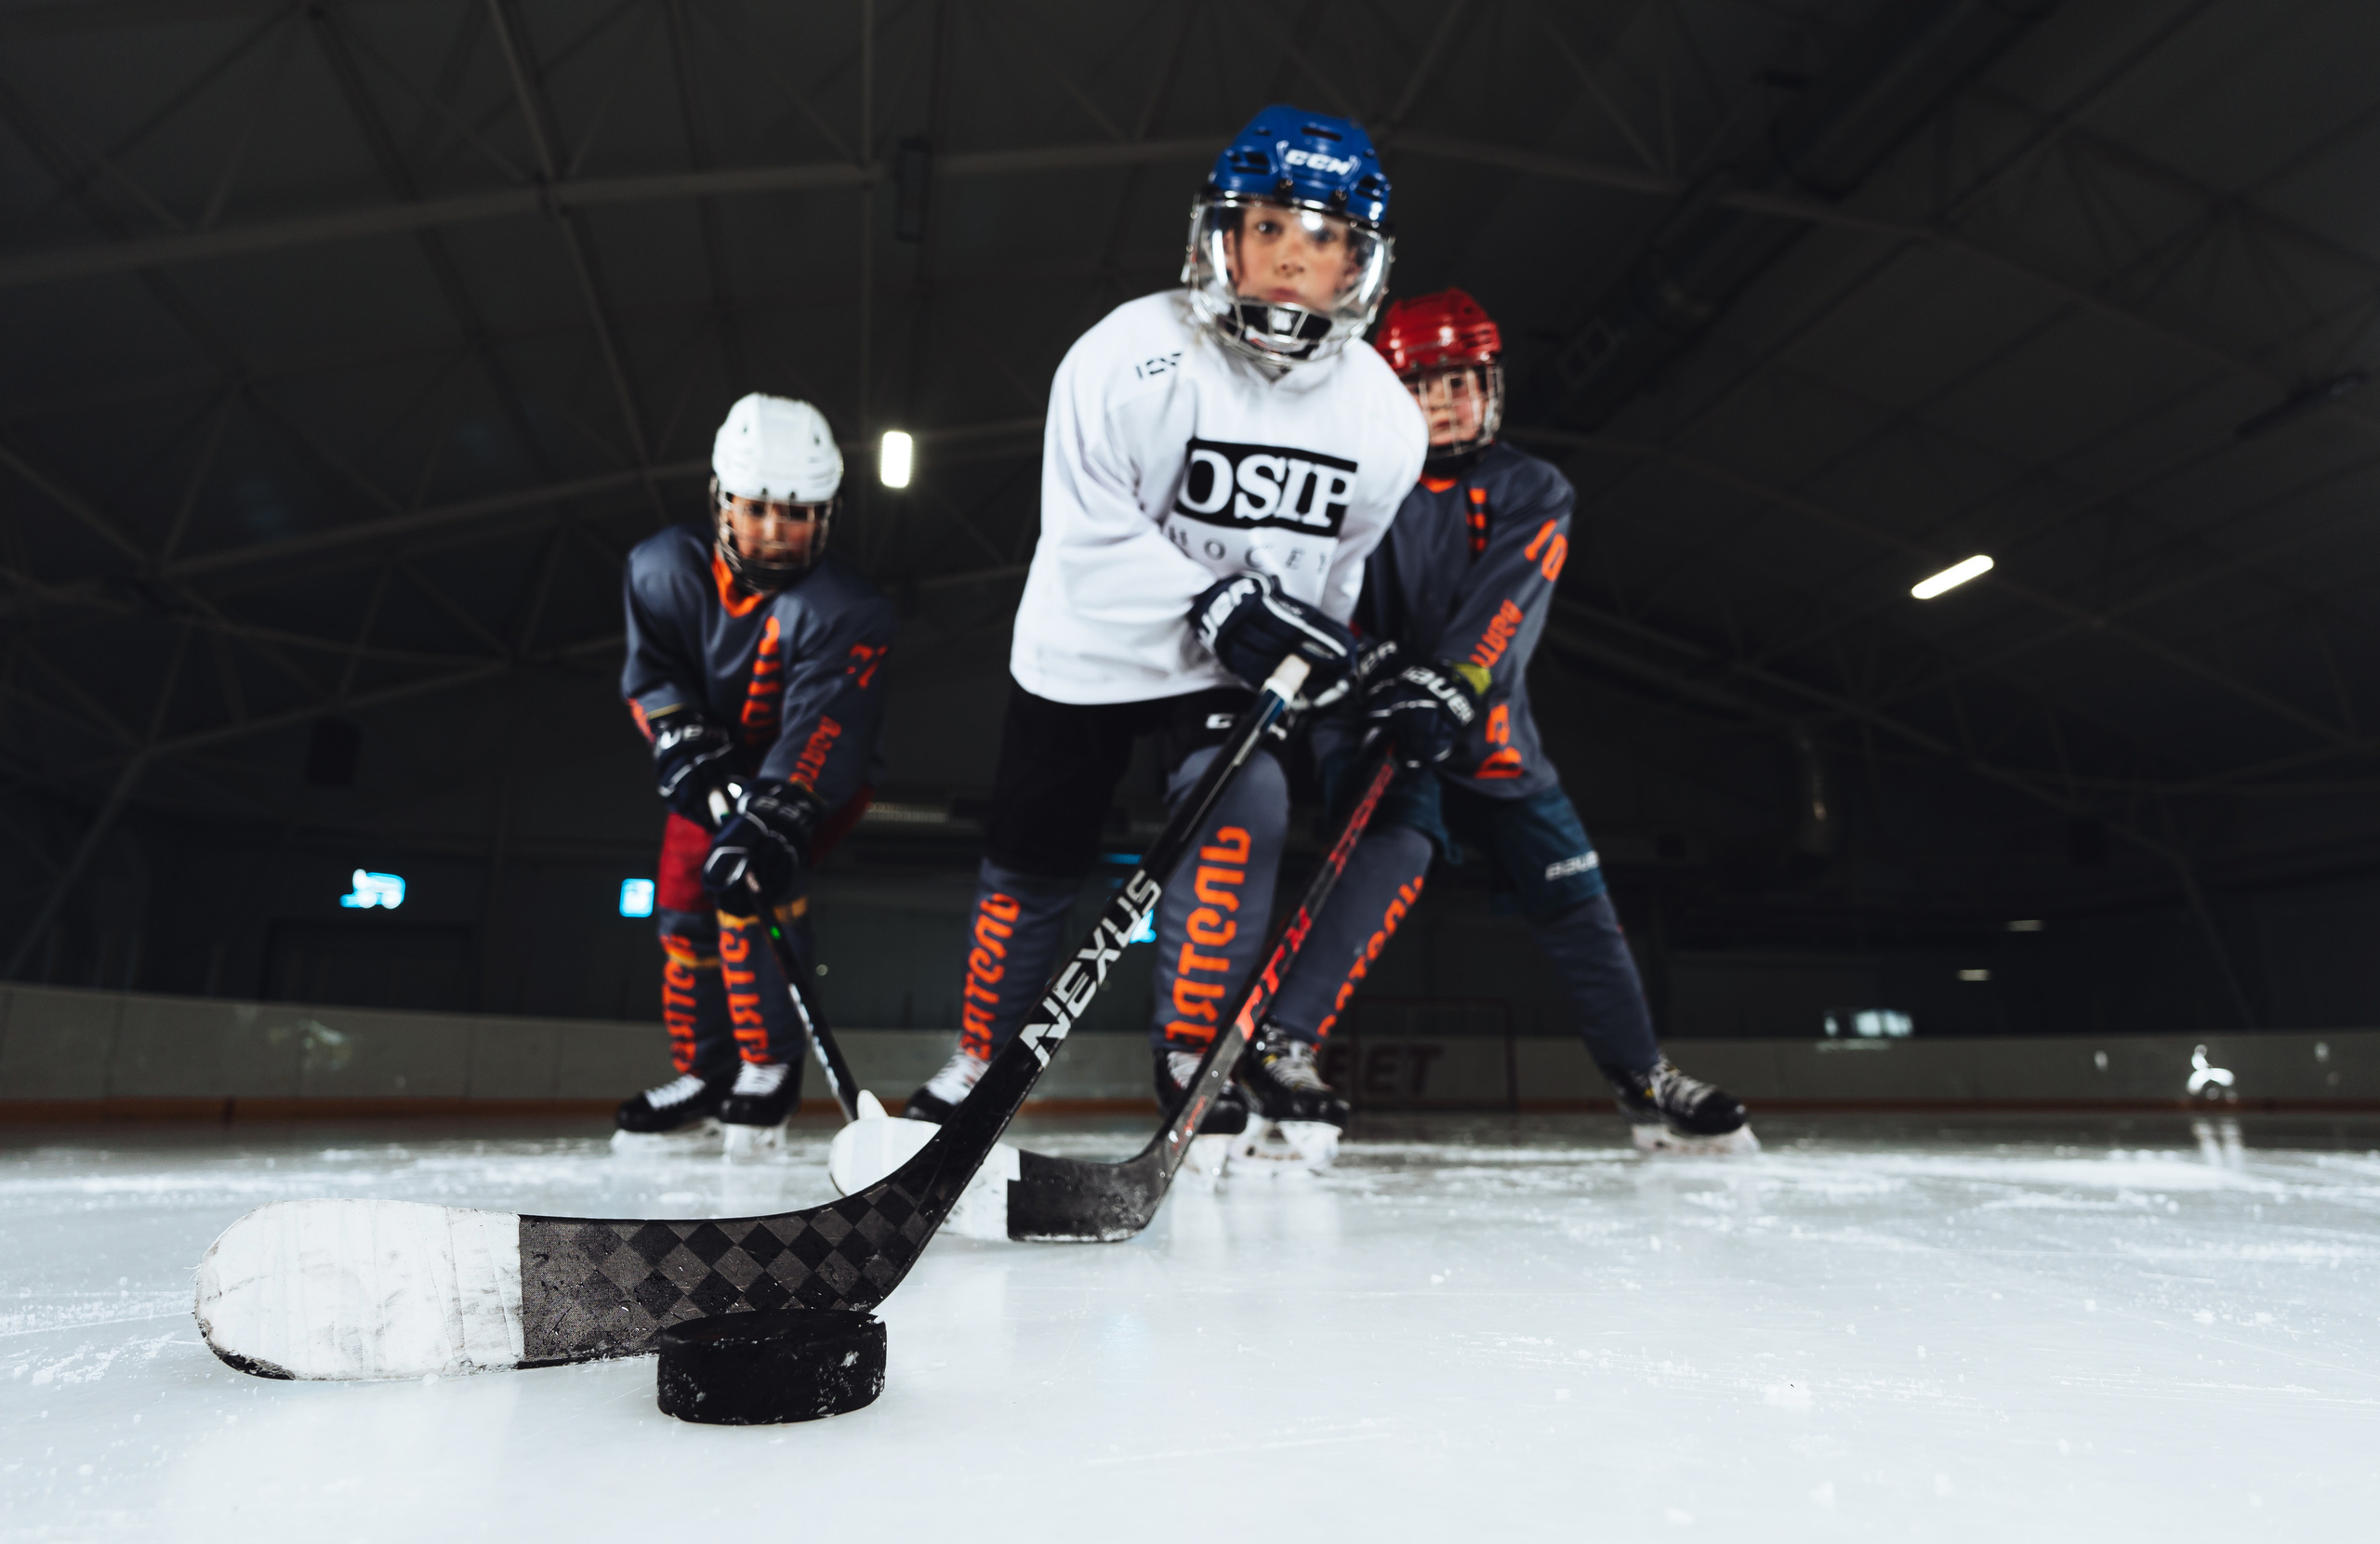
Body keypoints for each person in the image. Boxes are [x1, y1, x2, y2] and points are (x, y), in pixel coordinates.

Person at [900, 106, 1426, 1141]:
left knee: (1248, 807)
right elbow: (1085, 528)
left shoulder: (1384, 420)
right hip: (1090, 644)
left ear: (1355, 262)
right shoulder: (1125, 357)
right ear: (1221, 234)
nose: (1290, 258)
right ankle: (981, 1063)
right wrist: (1210, 598)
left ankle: (1193, 1047)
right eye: (1269, 226)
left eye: (1320, 238)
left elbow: (1341, 566)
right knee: (1033, 854)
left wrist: (1310, 654)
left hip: (1229, 667)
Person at [1253, 290, 1757, 1152]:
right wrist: (1367, 668)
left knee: (1577, 897)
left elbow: (1508, 603)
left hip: (1488, 731)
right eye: (1422, 388)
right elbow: (1319, 591)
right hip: (1377, 726)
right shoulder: (1360, 484)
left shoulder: (1533, 488)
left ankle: (1643, 1077)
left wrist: (1453, 681)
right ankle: (1280, 1048)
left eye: (1458, 384)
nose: (1443, 403)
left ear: (1491, 386)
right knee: (1390, 856)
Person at [614, 393, 897, 1153]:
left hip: (809, 777)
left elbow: (825, 728)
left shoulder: (847, 609)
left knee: (750, 883)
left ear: (827, 515)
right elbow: (654, 677)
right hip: (712, 764)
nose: (776, 530)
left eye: (798, 512)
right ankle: (704, 1070)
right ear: (722, 500)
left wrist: (774, 813)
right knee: (679, 902)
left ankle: (766, 1069)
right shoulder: (662, 569)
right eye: (759, 508)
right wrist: (677, 736)